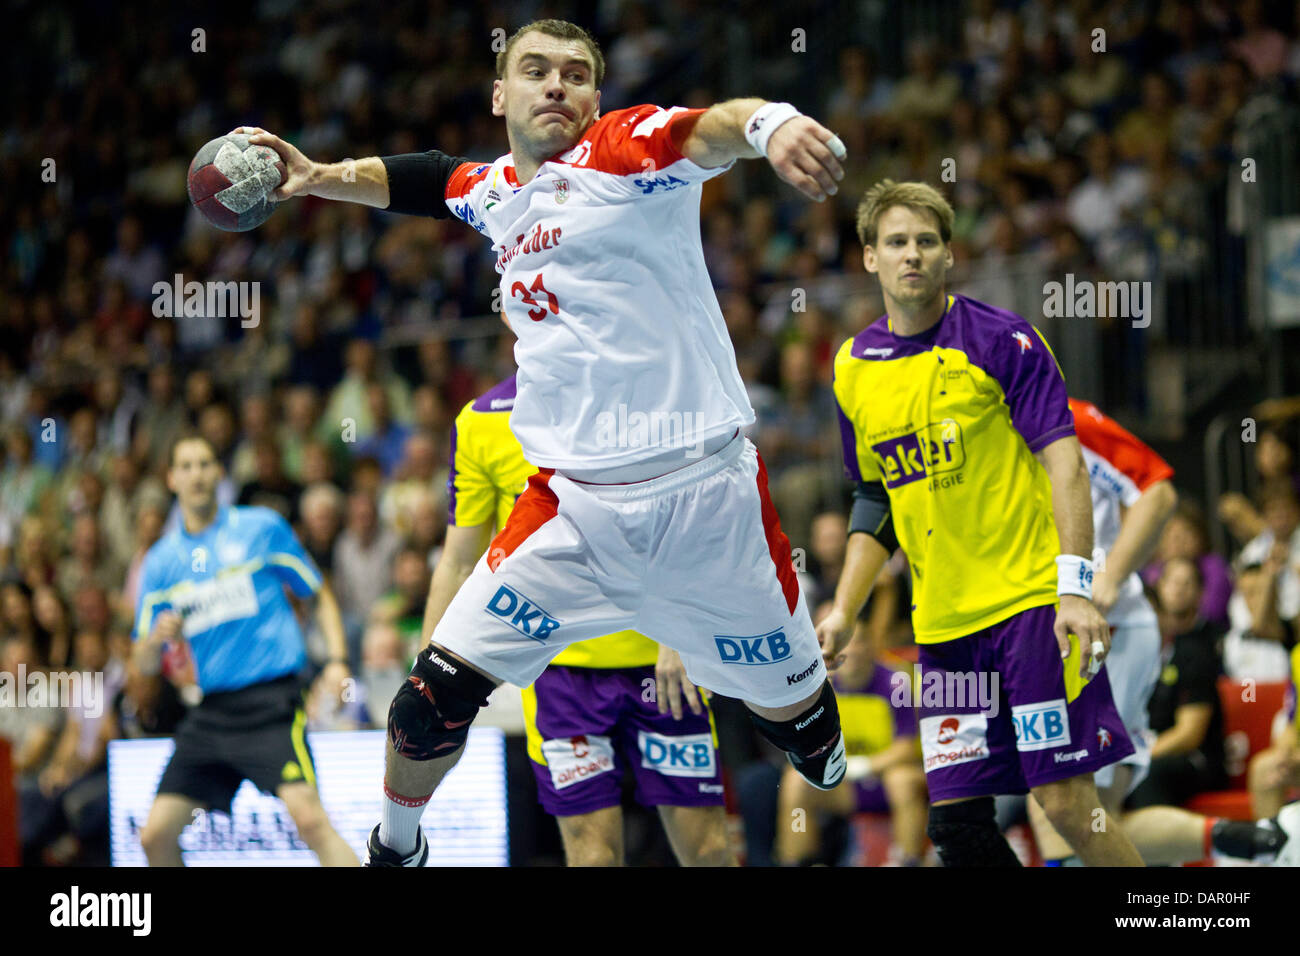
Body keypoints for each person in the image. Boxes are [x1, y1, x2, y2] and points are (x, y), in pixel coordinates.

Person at [244, 18, 851, 867]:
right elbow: (422, 181)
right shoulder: (494, 189)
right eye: (535, 71)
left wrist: (770, 123)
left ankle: (805, 717)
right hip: (571, 516)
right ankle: (398, 844)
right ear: (501, 95)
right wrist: (314, 177)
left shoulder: (621, 150)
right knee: (425, 704)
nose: (557, 85)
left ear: (597, 97)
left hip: (707, 506)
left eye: (575, 73)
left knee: (808, 734)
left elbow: (706, 126)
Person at [820, 179, 1144, 866]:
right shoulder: (852, 368)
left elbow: (1067, 468)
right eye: (897, 242)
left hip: (1030, 609)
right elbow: (874, 502)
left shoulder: (1005, 342)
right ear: (870, 257)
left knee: (1064, 806)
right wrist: (844, 610)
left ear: (948, 256)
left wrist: (1076, 588)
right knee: (958, 828)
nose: (913, 254)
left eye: (927, 241)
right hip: (943, 634)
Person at [423, 375, 733, 866]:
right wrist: (430, 678)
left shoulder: (642, 389)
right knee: (592, 857)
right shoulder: (481, 421)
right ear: (509, 308)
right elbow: (460, 560)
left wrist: (681, 631)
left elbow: (691, 515)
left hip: (661, 663)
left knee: (710, 850)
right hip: (560, 677)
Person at [1027, 400, 1290, 865]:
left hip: (1111, 631)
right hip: (1045, 640)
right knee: (1080, 814)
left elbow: (1160, 493)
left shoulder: (1069, 418)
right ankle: (1229, 837)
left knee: (1063, 807)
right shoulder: (967, 434)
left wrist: (1104, 583)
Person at [131, 432, 359, 866]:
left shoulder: (261, 527)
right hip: (212, 713)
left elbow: (317, 591)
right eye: (186, 466)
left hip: (271, 704)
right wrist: (156, 638)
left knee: (310, 821)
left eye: (205, 464)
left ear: (219, 473)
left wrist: (337, 661)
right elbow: (142, 663)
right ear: (171, 479)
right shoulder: (160, 563)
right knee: (154, 835)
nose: (197, 474)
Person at [776, 623, 927, 866]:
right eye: (846, 644)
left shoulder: (896, 683)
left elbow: (907, 747)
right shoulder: (820, 688)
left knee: (903, 781)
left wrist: (865, 765)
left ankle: (908, 860)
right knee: (795, 783)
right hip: (845, 787)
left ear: (872, 647)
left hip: (885, 780)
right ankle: (796, 859)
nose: (853, 651)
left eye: (860, 642)